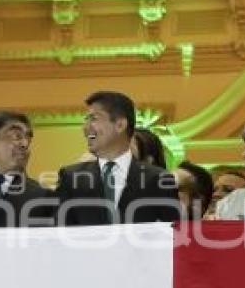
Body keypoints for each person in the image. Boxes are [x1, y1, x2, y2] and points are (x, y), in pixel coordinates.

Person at [56, 91, 179, 225]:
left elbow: (172, 236)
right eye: (86, 120)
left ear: (120, 125)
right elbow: (59, 235)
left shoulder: (158, 179)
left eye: (94, 118)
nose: (85, 128)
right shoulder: (71, 177)